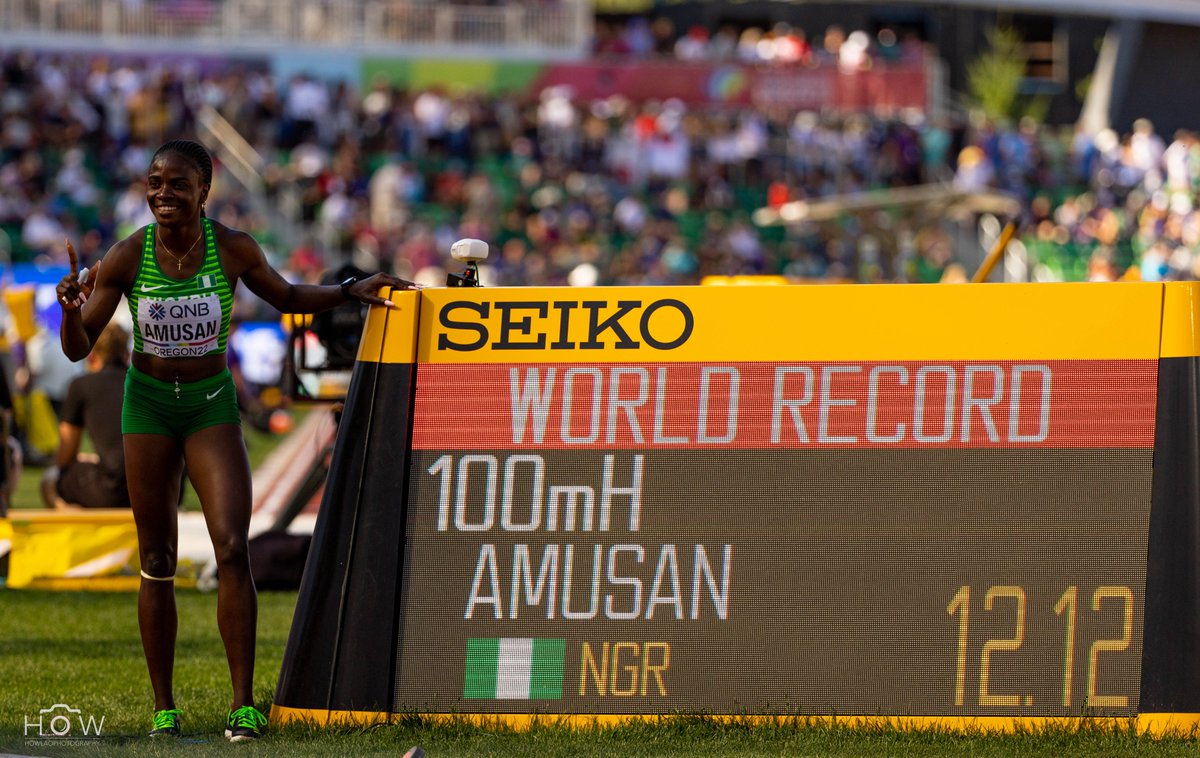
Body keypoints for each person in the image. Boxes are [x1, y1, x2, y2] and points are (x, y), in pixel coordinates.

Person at [55, 139, 418, 741]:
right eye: (154, 183)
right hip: (146, 408)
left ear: (204, 191)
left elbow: (289, 297)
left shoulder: (232, 248)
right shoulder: (126, 256)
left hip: (209, 407)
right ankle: (163, 709)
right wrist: (70, 309)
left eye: (177, 184)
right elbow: (77, 347)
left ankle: (244, 704)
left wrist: (350, 289)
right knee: (157, 560)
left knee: (231, 547)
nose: (162, 194)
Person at [41, 322, 132, 509]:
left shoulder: (82, 385)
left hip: (112, 491)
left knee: (50, 480)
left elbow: (65, 455)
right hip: (158, 488)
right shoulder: (145, 382)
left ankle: (79, 535)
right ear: (127, 353)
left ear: (92, 355)